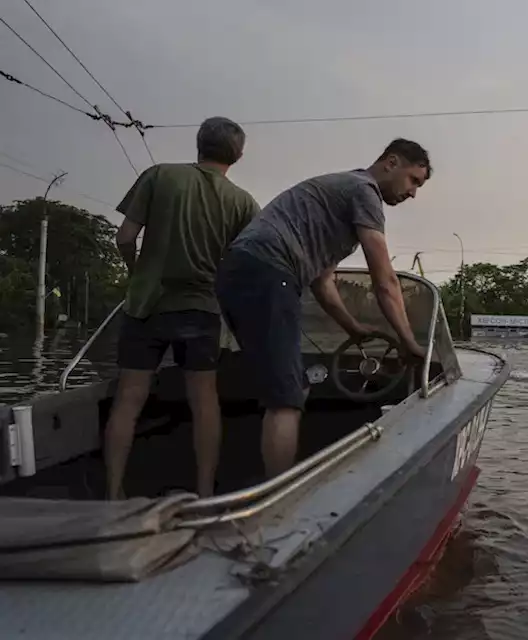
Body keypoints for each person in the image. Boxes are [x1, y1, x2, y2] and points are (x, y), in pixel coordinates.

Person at [216, 138, 430, 479]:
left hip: (243, 273)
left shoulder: (338, 195)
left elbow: (322, 283)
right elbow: (385, 281)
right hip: (268, 273)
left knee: (293, 385)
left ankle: (273, 478)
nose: (414, 193)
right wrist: (408, 342)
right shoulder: (365, 192)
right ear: (391, 162)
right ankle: (279, 501)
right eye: (413, 180)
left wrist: (353, 329)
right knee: (285, 398)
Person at [105, 117, 260, 500]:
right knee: (204, 399)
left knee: (128, 399)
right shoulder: (243, 202)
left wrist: (136, 273)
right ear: (238, 156)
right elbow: (247, 263)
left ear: (198, 144)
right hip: (202, 309)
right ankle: (205, 492)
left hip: (146, 306)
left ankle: (112, 494)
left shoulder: (159, 176)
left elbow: (124, 237)